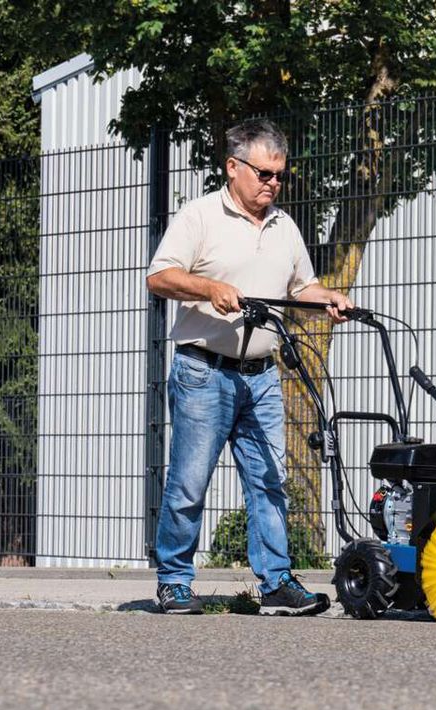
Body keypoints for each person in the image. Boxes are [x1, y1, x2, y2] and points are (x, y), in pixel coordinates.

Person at [146, 118, 354, 615]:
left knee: (269, 481)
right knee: (190, 482)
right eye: (264, 173)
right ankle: (174, 580)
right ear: (233, 167)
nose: (273, 184)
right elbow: (160, 276)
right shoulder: (200, 217)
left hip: (261, 375)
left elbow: (299, 286)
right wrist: (208, 288)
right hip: (204, 371)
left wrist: (327, 297)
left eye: (280, 175)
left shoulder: (284, 226)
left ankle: (276, 584)